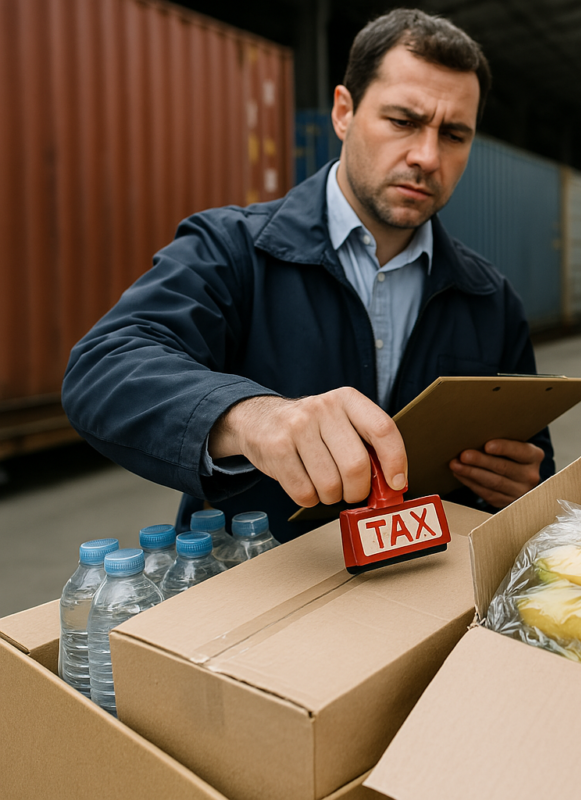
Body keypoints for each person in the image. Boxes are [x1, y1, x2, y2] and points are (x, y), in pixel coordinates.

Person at [63, 9, 551, 542]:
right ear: (343, 112)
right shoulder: (233, 248)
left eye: (454, 134)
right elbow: (104, 367)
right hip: (260, 592)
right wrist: (250, 417)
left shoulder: (489, 298)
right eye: (403, 121)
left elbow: (535, 464)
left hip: (424, 591)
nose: (426, 156)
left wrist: (527, 485)